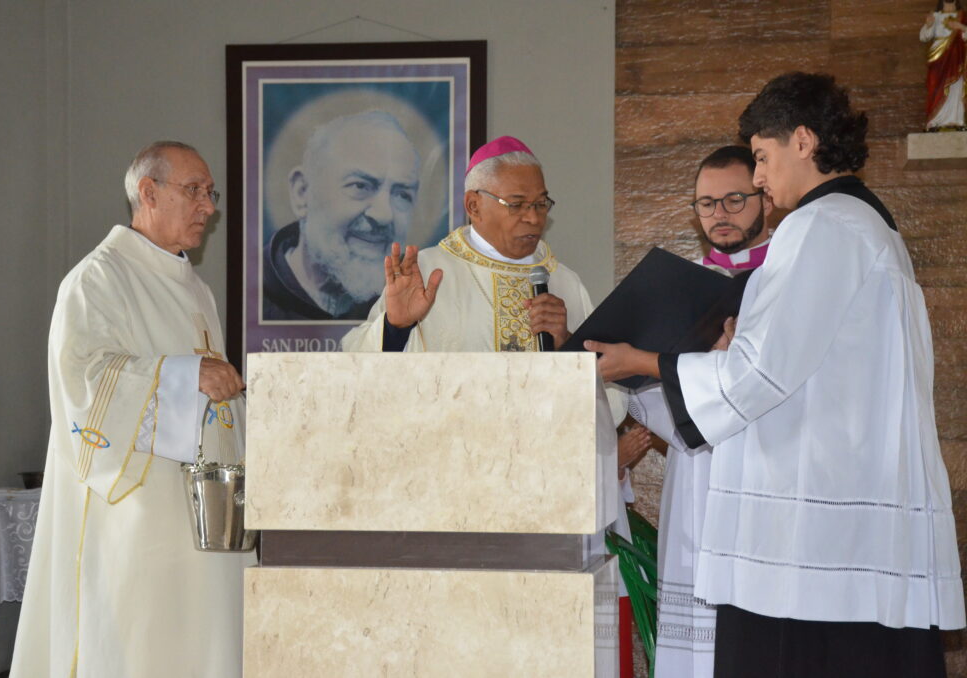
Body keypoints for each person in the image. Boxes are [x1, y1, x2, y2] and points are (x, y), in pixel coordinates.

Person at [587, 72, 965, 677]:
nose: (758, 178)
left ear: (804, 142)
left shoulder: (820, 228)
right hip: (851, 499)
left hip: (810, 528)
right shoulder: (870, 227)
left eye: (762, 158)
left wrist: (645, 363)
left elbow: (757, 371)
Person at [342, 136, 636, 677]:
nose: (533, 219)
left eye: (541, 204)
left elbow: (612, 399)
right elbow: (354, 377)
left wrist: (570, 343)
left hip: (548, 511)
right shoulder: (426, 271)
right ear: (474, 205)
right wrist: (396, 326)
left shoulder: (563, 281)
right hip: (452, 504)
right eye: (517, 205)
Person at [11, 141, 252, 678]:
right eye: (195, 191)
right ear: (148, 193)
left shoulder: (194, 288)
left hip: (207, 519)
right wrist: (188, 376)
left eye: (210, 194)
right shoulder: (97, 280)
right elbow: (86, 385)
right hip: (140, 519)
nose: (208, 206)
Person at [624, 145, 773, 678]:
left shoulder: (785, 280)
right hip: (697, 479)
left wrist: (718, 378)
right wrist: (699, 387)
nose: (720, 214)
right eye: (706, 203)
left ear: (765, 199)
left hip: (765, 482)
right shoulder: (680, 289)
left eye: (735, 199)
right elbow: (642, 396)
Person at [263, 110, 420, 321]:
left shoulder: (417, 305)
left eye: (402, 194)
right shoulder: (250, 290)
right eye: (360, 186)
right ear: (302, 192)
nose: (384, 215)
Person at [920, 0, 966, 131]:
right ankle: (935, 122)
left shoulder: (963, 16)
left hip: (957, 59)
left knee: (955, 87)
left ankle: (957, 121)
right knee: (935, 87)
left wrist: (960, 27)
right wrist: (928, 25)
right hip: (938, 59)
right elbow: (924, 37)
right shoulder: (936, 15)